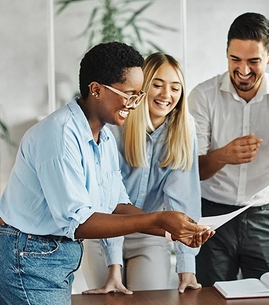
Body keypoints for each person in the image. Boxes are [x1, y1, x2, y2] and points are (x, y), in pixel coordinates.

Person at [0, 42, 212, 305]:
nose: (135, 104)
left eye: (138, 95)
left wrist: (173, 230)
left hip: (54, 253)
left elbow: (115, 205)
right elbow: (79, 222)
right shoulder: (60, 135)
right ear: (96, 90)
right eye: (129, 94)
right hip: (29, 254)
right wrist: (157, 219)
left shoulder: (103, 138)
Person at [188, 12, 269, 287]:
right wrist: (224, 155)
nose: (243, 70)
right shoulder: (202, 96)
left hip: (264, 215)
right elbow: (192, 171)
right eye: (235, 59)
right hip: (211, 215)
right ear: (226, 53)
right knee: (209, 297)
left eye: (253, 61)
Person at [81, 52, 204, 294]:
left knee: (151, 299)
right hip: (103, 234)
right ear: (140, 89)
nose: (166, 95)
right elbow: (109, 202)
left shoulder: (184, 131)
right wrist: (113, 266)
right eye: (157, 85)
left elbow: (183, 200)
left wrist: (186, 267)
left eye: (175, 88)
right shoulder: (116, 126)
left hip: (150, 235)